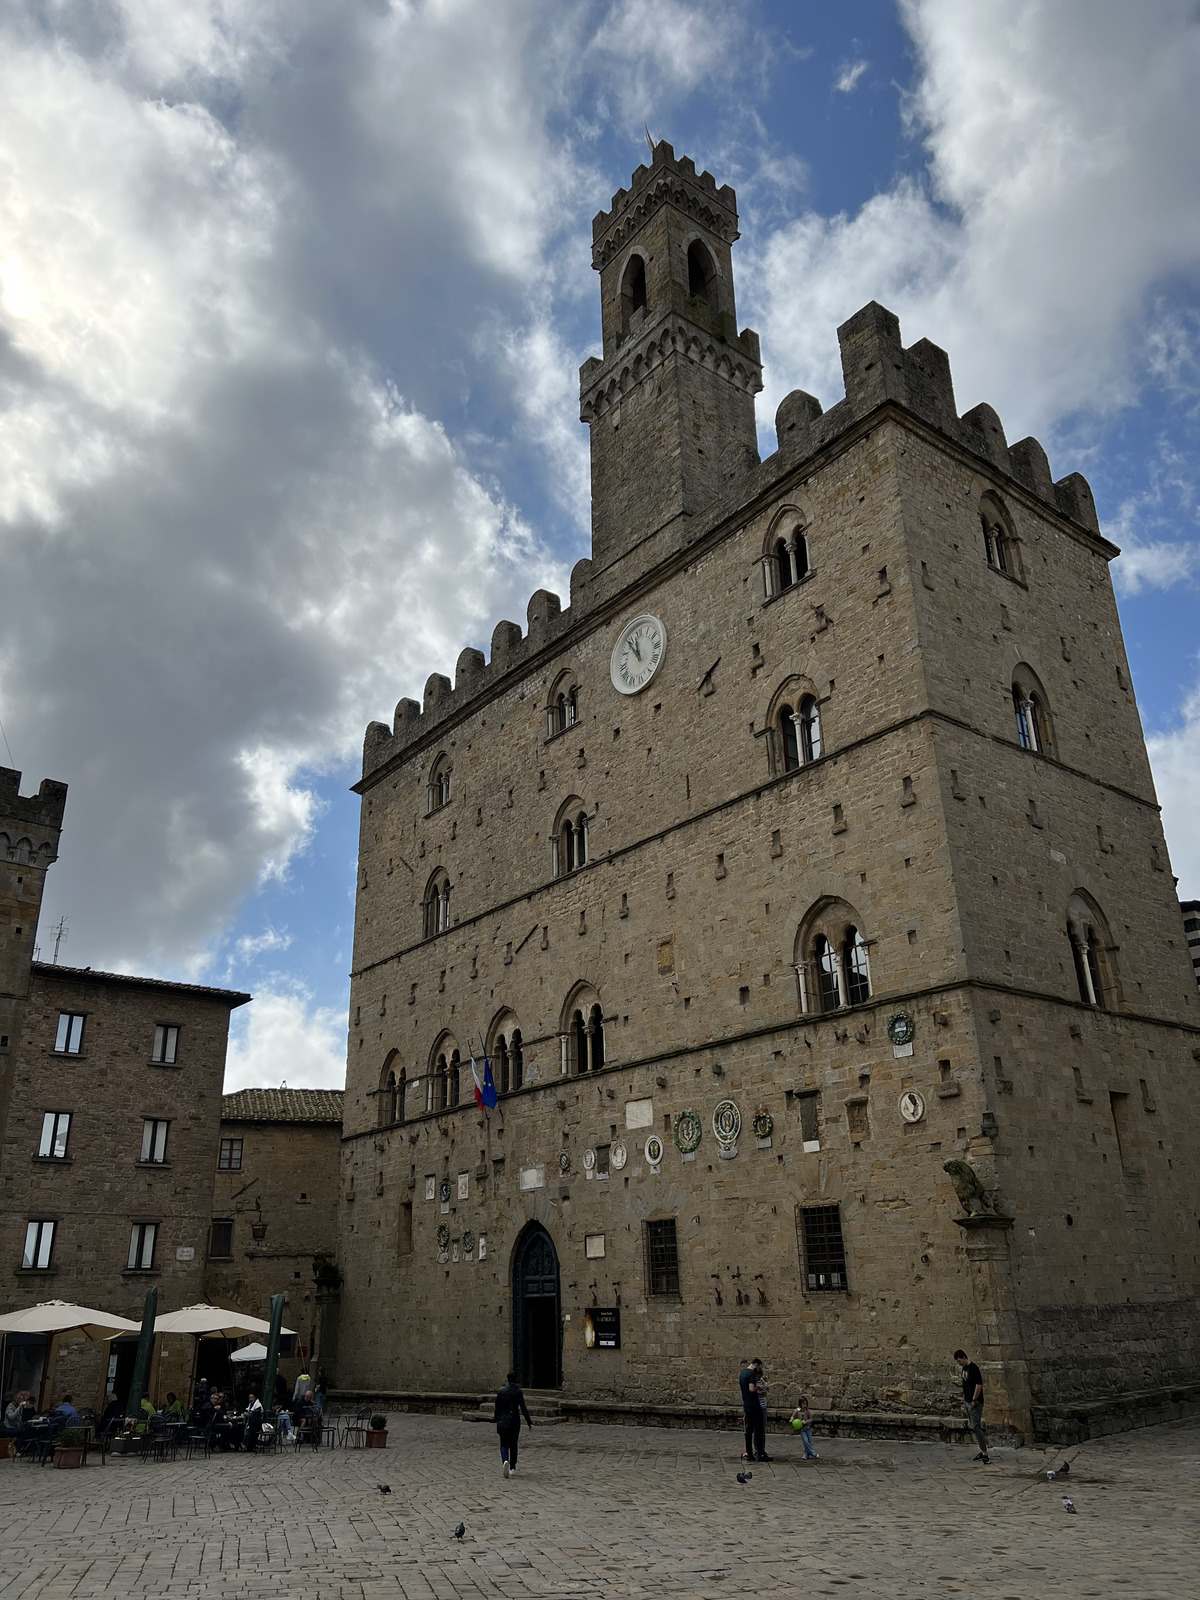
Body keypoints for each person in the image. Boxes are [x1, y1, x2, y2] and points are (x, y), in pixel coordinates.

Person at [494, 1371, 533, 1478]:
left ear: (507, 1379)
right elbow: (523, 1407)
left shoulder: (501, 1392)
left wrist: (496, 1419)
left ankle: (505, 1461)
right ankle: (512, 1467)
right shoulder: (518, 1392)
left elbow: (497, 1407)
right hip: (514, 1420)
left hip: (503, 1419)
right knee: (513, 1444)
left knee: (503, 1444)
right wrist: (529, 1421)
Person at [954, 1349, 989, 1464]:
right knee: (973, 1425)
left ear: (964, 1357)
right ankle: (982, 1450)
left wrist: (974, 1399)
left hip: (975, 1402)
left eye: (959, 1361)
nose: (959, 1363)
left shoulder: (974, 1368)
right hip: (967, 1400)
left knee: (976, 1426)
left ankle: (984, 1452)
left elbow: (979, 1385)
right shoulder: (964, 1369)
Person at [738, 1359, 765, 1463]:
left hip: (747, 1405)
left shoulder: (743, 1373)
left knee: (748, 1430)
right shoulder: (751, 1374)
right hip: (754, 1405)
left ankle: (749, 1453)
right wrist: (759, 1387)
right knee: (759, 1429)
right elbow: (751, 1389)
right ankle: (760, 1453)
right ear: (756, 1364)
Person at [789, 1395, 818, 1460]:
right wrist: (791, 1420)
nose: (805, 1405)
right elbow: (793, 1416)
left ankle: (806, 1453)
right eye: (803, 1404)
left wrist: (806, 1421)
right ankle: (813, 1453)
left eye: (806, 1404)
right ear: (800, 1404)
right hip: (802, 1429)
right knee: (805, 1441)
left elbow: (811, 1419)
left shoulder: (807, 1411)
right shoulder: (797, 1410)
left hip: (808, 1429)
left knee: (809, 1442)